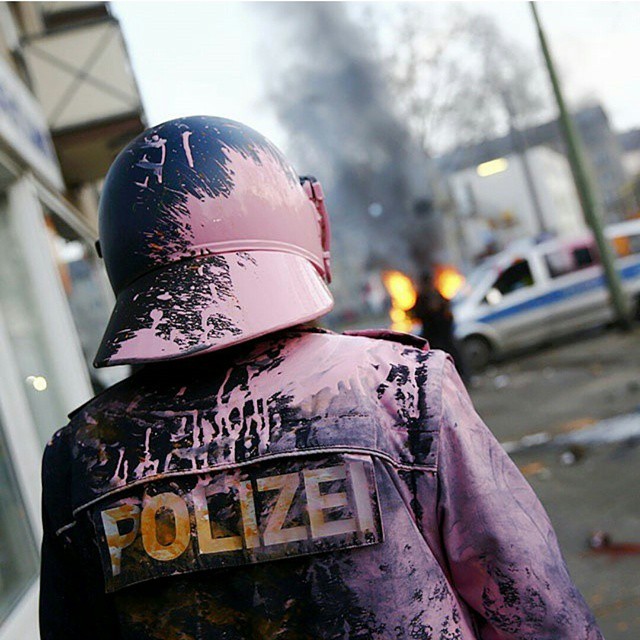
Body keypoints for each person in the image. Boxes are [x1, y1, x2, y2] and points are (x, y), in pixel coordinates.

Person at [40, 116, 602, 639]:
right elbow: (534, 606)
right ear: (309, 224)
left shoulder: (77, 459)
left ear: (116, 262)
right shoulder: (400, 390)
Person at [410, 270, 469, 382]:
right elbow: (417, 314)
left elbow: (447, 310)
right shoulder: (421, 298)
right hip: (432, 334)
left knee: (454, 354)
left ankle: (463, 377)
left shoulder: (436, 293)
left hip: (444, 333)